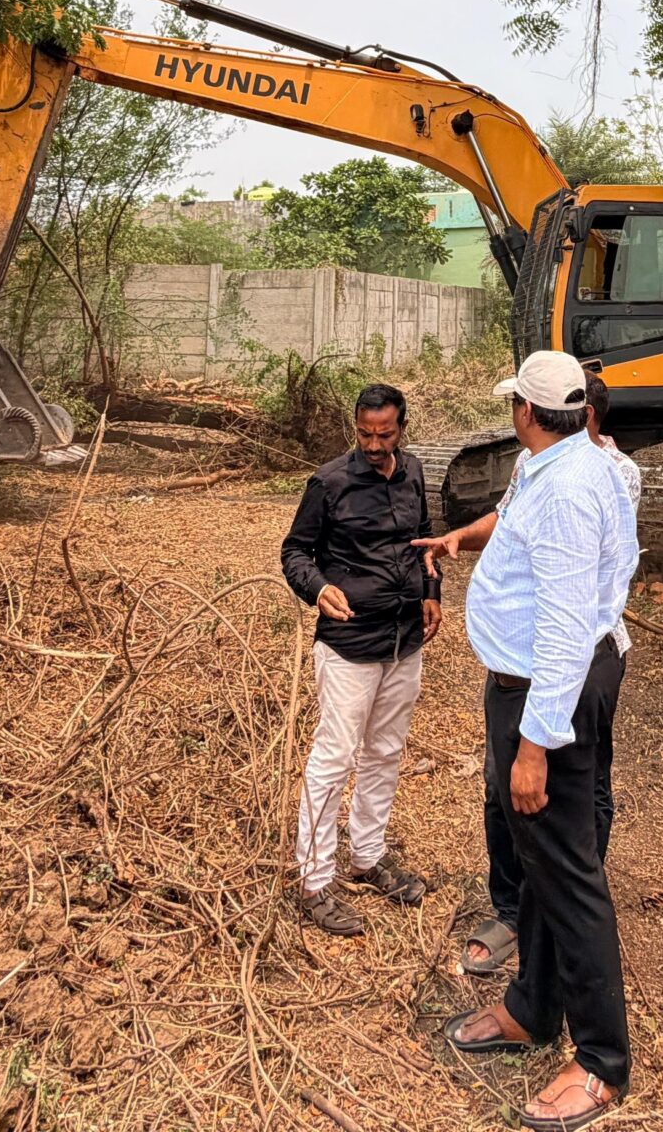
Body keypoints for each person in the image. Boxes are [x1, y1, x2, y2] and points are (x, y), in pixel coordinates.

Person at [435, 349, 630, 1131]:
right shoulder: (562, 464)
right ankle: (533, 1008)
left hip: (549, 695)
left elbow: (564, 627)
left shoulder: (570, 493)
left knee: (570, 875)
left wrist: (534, 743)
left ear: (526, 409)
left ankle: (603, 1059)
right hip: (541, 687)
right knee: (545, 862)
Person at [279, 382, 439, 936]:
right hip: (348, 646)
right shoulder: (329, 483)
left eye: (385, 434)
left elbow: (422, 539)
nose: (374, 444)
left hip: (404, 641)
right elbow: (295, 551)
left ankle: (367, 857)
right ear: (356, 427)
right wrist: (316, 587)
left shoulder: (415, 472)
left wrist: (431, 595)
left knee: (386, 751)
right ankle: (314, 881)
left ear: (401, 429)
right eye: (365, 433)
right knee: (334, 757)